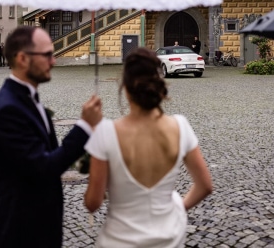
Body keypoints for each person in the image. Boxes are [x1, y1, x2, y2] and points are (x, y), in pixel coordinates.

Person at [0, 26, 102, 248]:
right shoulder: (8, 110)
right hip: (18, 233)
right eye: (47, 55)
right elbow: (43, 167)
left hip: (38, 228)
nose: (53, 61)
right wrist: (84, 126)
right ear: (22, 59)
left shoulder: (27, 98)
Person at [84, 48, 212, 247]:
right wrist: (179, 207)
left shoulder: (105, 132)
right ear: (159, 85)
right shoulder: (181, 126)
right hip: (169, 237)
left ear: (125, 88)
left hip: (119, 240)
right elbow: (205, 186)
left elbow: (93, 202)